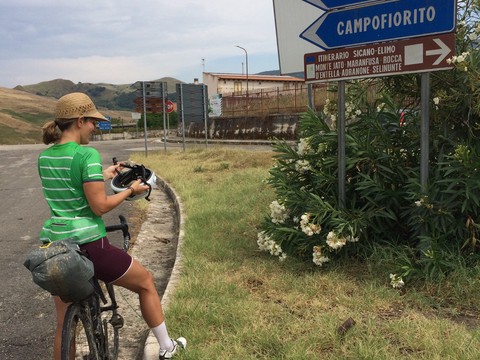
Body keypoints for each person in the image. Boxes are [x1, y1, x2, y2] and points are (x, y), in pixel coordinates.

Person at [38, 92, 185, 360]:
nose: (95, 128)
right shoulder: (86, 154)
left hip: (54, 247)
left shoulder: (45, 157)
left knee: (62, 323)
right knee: (146, 283)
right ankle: (166, 347)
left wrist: (103, 175)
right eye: (93, 122)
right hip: (89, 245)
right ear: (80, 120)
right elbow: (100, 207)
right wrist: (131, 191)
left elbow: (71, 188)